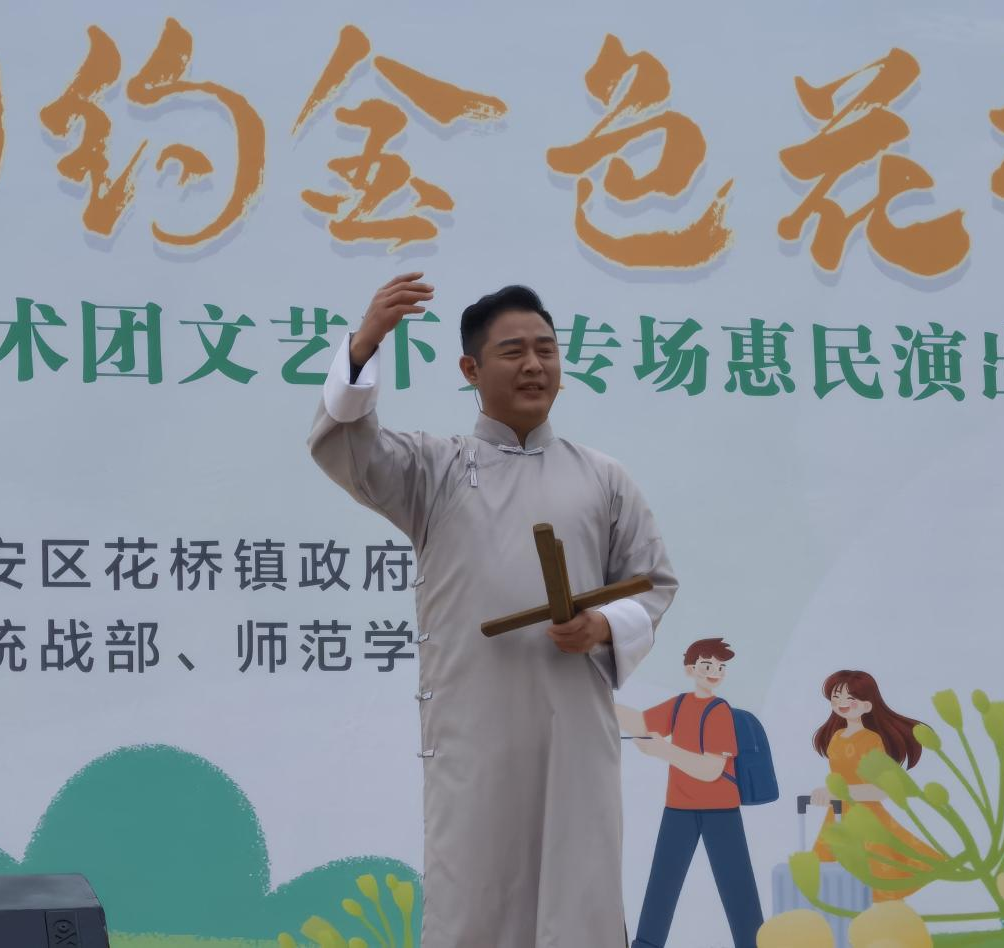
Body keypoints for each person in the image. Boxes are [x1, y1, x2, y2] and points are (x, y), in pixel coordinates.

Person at [307, 274, 679, 948]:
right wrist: (364, 346)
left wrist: (601, 625)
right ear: (470, 370)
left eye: (546, 349)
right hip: (473, 737)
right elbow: (348, 450)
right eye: (513, 351)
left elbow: (652, 582)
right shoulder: (435, 469)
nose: (535, 365)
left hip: (575, 734)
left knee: (579, 897)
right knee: (476, 902)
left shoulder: (604, 478)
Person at [615, 637, 764, 948]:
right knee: (663, 881)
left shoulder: (719, 712)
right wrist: (602, 703)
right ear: (690, 669)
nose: (714, 672)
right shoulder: (680, 704)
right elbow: (641, 723)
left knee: (736, 886)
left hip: (720, 811)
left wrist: (663, 750)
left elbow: (710, 770)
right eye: (707, 665)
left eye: (720, 667)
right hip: (679, 807)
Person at [809, 669, 939, 902]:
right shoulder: (836, 738)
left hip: (866, 817)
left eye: (850, 698)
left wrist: (838, 792)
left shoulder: (871, 740)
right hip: (837, 815)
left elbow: (880, 791)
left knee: (876, 877)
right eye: (836, 697)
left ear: (867, 705)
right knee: (829, 877)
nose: (842, 703)